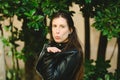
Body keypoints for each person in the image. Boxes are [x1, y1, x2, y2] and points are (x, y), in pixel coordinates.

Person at [36, 11, 84, 80]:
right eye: (54, 26)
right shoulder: (52, 46)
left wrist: (48, 55)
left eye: (62, 27)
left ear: (70, 30)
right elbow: (39, 69)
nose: (57, 31)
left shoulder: (73, 53)